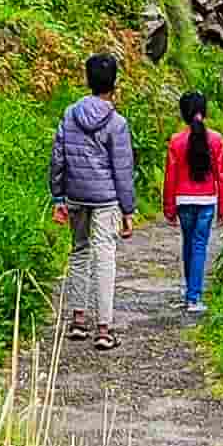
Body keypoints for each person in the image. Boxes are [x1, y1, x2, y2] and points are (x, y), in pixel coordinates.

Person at [51, 51, 139, 351]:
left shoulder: (69, 115)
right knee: (105, 257)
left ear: (87, 80)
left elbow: (58, 159)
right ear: (114, 83)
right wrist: (128, 210)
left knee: (78, 253)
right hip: (106, 200)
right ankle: (104, 328)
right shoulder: (117, 123)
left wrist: (57, 196)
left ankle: (78, 320)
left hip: (75, 195)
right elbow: (123, 170)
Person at [165, 92, 223, 314]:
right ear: (205, 111)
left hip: (183, 200)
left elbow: (170, 177)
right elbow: (222, 177)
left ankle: (189, 292)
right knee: (199, 245)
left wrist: (169, 208)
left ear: (183, 114)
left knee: (188, 243)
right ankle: (194, 297)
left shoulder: (176, 141)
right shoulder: (216, 140)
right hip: (207, 200)